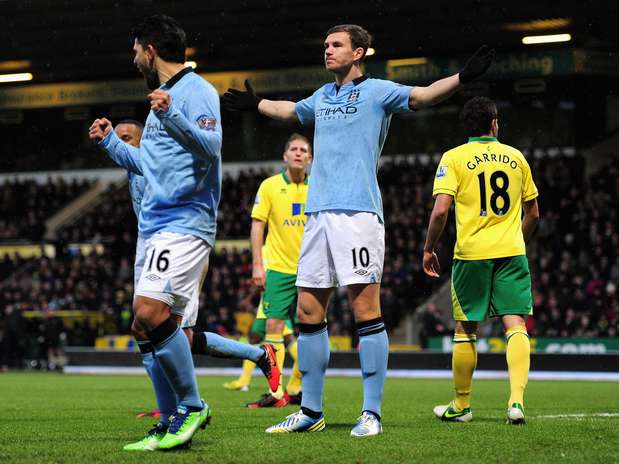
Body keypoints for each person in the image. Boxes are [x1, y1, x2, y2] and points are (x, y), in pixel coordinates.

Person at [223, 24, 494, 436]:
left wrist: (462, 78)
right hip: (317, 216)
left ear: (359, 52)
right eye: (325, 45)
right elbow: (289, 109)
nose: (327, 51)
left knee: (366, 311)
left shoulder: (378, 91)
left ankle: (371, 413)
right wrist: (256, 103)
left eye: (336, 45)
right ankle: (311, 412)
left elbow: (420, 96)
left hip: (358, 215)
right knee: (308, 313)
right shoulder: (322, 96)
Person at [90, 28, 280, 447]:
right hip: (156, 224)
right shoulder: (162, 96)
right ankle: (169, 421)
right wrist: (109, 143)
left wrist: (172, 112)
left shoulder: (196, 91)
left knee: (149, 314)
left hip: (183, 221)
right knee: (149, 327)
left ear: (151, 50)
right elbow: (149, 167)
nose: (133, 56)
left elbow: (211, 146)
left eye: (135, 48)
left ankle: (191, 406)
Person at [422, 96, 539, 425]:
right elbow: (534, 212)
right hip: (512, 251)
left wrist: (429, 248)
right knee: (515, 325)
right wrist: (517, 238)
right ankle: (516, 402)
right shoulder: (516, 158)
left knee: (465, 328)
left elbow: (441, 209)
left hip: (472, 254)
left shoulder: (454, 157)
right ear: (494, 123)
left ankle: (461, 406)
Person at [243, 133, 311, 408]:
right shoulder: (269, 186)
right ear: (285, 156)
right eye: (292, 149)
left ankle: (296, 386)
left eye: (303, 150)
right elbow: (257, 225)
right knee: (273, 326)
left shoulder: (318, 186)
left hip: (311, 269)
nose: (297, 153)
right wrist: (258, 263)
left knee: (311, 329)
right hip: (280, 269)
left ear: (310, 158)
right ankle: (276, 392)